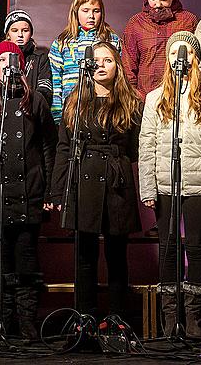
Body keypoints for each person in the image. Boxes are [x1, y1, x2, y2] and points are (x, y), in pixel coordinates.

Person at [0, 41, 58, 339]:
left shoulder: (36, 101)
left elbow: (48, 147)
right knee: (1, 260)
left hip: (29, 192)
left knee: (27, 259)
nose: (7, 64)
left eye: (12, 58)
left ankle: (27, 321)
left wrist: (50, 193)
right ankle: (2, 321)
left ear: (21, 65)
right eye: (1, 59)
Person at [50, 41, 142, 323]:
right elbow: (64, 148)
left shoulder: (131, 102)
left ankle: (117, 319)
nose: (101, 65)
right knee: (85, 257)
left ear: (117, 66)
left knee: (117, 256)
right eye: (96, 60)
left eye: (108, 60)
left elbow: (136, 148)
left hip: (116, 182)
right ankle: (84, 319)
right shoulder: (75, 102)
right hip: (84, 180)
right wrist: (58, 190)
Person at [138, 31, 201, 337]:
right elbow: (146, 145)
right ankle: (170, 317)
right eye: (173, 53)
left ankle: (193, 318)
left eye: (185, 53)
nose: (179, 58)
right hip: (164, 184)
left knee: (196, 246)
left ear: (195, 59)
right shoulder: (155, 98)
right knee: (168, 247)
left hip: (197, 183)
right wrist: (147, 188)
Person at [122, 0, 198, 96]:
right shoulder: (135, 23)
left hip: (179, 97)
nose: (157, 4)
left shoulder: (188, 21)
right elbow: (128, 66)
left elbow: (196, 62)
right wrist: (134, 96)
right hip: (143, 99)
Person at [49, 0, 121, 124]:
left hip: (104, 107)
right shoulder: (62, 42)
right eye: (86, 10)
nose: (91, 16)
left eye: (96, 11)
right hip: (72, 108)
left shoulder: (112, 40)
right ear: (76, 12)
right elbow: (56, 79)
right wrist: (58, 113)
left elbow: (119, 76)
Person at [0, 9, 53, 107]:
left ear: (31, 33)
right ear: (7, 34)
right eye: (14, 30)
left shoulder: (40, 57)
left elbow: (45, 89)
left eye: (25, 30)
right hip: (3, 110)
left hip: (30, 111)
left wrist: (29, 104)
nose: (20, 35)